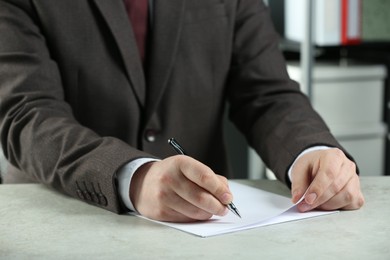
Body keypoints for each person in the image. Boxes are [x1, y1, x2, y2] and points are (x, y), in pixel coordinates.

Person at [0, 0, 364, 222]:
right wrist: (134, 177)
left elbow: (265, 89)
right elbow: (25, 112)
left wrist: (311, 151)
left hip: (205, 227)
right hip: (60, 218)